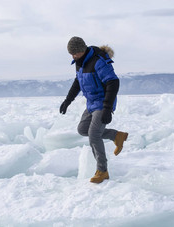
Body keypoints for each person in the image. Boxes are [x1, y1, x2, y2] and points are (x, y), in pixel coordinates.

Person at [59, 36, 128, 184]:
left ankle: (102, 171)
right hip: (91, 103)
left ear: (82, 50)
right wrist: (67, 101)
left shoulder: (98, 61)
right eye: (71, 54)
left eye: (75, 53)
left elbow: (113, 82)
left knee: (94, 134)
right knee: (83, 129)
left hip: (103, 103)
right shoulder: (80, 63)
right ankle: (116, 136)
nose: (73, 56)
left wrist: (107, 109)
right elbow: (78, 82)